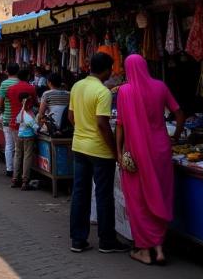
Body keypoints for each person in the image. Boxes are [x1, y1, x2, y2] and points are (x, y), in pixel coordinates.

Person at [116, 54, 186, 266]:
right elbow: (180, 114)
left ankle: (145, 251)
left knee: (139, 199)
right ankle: (160, 248)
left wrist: (118, 152)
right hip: (161, 150)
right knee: (159, 193)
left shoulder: (124, 91)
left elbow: (120, 125)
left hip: (136, 152)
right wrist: (175, 136)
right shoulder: (160, 86)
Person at [68, 52, 129, 254]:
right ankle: (107, 240)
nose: (112, 73)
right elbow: (103, 125)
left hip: (79, 147)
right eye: (111, 69)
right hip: (100, 151)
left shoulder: (77, 86)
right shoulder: (103, 92)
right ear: (105, 69)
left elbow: (71, 116)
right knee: (103, 196)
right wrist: (115, 151)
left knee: (80, 194)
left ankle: (78, 239)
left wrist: (82, 130)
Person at [0, 63, 20, 178]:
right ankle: (17, 170)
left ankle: (9, 169)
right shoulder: (21, 83)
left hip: (7, 118)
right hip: (19, 119)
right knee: (18, 146)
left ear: (7, 71)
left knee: (9, 145)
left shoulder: (4, 84)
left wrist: (2, 110)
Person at [13, 92, 40, 190]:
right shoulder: (27, 113)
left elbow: (17, 120)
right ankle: (25, 180)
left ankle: (15, 178)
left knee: (18, 156)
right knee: (27, 157)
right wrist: (39, 127)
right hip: (28, 137)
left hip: (20, 135)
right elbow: (33, 125)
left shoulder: (21, 111)